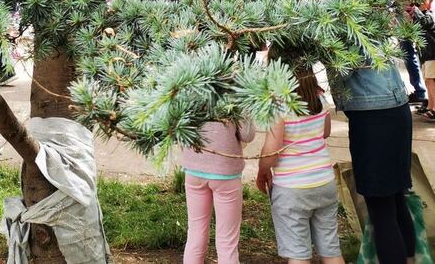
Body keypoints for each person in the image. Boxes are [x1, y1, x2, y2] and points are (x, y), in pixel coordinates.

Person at [329, 62, 415, 264]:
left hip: (372, 118)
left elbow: (339, 62)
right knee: (395, 199)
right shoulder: (378, 29)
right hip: (397, 110)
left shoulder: (343, 29)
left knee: (381, 209)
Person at [257, 70, 344, 264]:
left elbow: (272, 151)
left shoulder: (279, 103)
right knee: (331, 249)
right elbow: (325, 131)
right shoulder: (319, 97)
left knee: (298, 254)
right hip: (324, 181)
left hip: (291, 188)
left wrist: (262, 172)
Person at [178, 115, 255, 264]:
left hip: (194, 169)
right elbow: (247, 135)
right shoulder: (236, 94)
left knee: (195, 233)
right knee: (227, 242)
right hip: (226, 173)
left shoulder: (187, 91)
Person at [410, 0, 435, 121]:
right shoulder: (419, 16)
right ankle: (430, 105)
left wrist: (417, 11)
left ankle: (434, 108)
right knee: (427, 80)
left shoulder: (428, 14)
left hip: (431, 54)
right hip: (425, 55)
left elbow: (427, 23)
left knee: (431, 81)